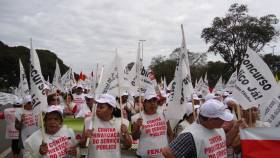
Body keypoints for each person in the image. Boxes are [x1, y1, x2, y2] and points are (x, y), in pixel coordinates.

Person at [162, 99, 233, 158]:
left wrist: (235, 127)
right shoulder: (190, 135)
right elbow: (167, 152)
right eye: (222, 118)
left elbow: (222, 144)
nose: (225, 121)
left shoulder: (218, 127)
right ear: (211, 120)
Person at [80, 93, 132, 158]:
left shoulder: (121, 123)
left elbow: (128, 146)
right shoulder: (89, 122)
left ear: (111, 109)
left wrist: (126, 134)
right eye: (98, 106)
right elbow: (82, 145)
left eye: (101, 107)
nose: (98, 109)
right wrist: (85, 137)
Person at [131, 89, 174, 158]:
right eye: (149, 101)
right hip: (144, 155)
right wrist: (138, 127)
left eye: (154, 100)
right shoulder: (136, 118)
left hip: (163, 155)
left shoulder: (163, 114)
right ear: (144, 103)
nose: (152, 103)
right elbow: (134, 137)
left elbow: (170, 133)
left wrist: (171, 149)